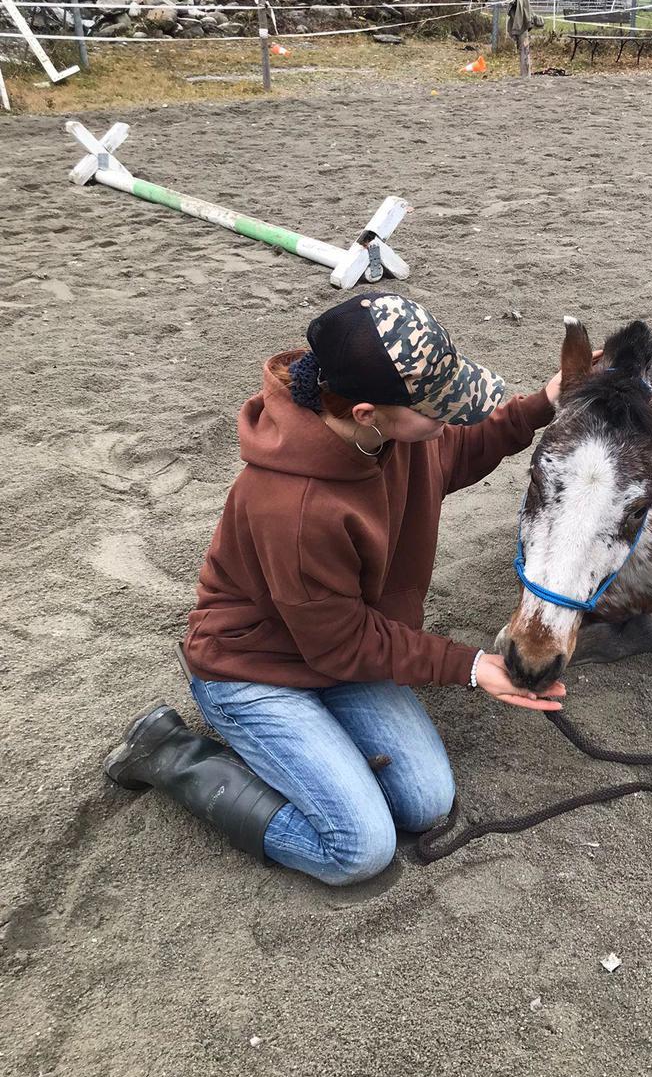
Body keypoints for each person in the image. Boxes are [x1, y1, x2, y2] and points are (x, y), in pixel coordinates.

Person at [105, 292, 566, 884]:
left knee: (426, 803)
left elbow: (460, 448)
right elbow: (342, 644)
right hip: (254, 668)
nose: (450, 418)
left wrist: (546, 402)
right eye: (437, 407)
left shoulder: (393, 435)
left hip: (338, 650)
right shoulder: (294, 507)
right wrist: (473, 665)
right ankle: (170, 754)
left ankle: (323, 754)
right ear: (370, 412)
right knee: (358, 849)